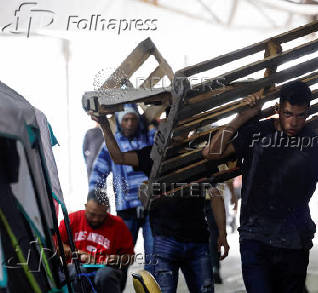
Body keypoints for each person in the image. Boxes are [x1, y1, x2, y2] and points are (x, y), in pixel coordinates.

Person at [202, 81, 318, 292]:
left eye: (300, 115)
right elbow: (211, 152)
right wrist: (242, 117)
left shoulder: (314, 144)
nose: (293, 122)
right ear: (278, 109)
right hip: (255, 238)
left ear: (307, 113)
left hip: (294, 241)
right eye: (288, 114)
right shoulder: (257, 133)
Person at [89, 112, 230, 293]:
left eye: (180, 126)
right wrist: (106, 128)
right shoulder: (153, 156)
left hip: (197, 241)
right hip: (166, 240)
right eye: (171, 126)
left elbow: (216, 195)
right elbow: (119, 157)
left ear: (187, 130)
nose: (174, 131)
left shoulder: (200, 156)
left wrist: (223, 234)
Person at [88, 103, 155, 273]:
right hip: (125, 208)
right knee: (119, 259)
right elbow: (98, 172)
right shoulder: (112, 144)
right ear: (119, 121)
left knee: (153, 257)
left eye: (133, 119)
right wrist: (95, 198)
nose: (130, 123)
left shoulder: (151, 138)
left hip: (151, 208)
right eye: (125, 119)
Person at [58, 189, 134, 293]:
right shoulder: (72, 219)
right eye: (92, 214)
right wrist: (76, 253)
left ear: (107, 209)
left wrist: (118, 259)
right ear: (86, 207)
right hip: (77, 267)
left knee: (105, 276)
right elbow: (56, 246)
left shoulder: (118, 225)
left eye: (101, 215)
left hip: (106, 269)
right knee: (78, 273)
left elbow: (130, 257)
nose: (96, 219)